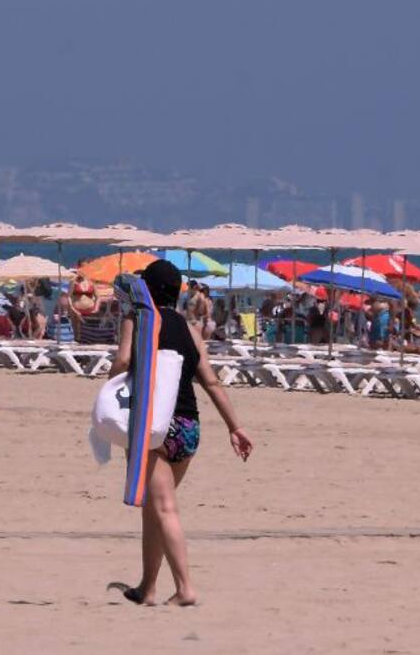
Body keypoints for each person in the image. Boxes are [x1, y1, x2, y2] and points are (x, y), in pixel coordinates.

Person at [111, 260, 253, 607]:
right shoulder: (190, 329)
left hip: (155, 424)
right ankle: (147, 587)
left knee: (163, 507)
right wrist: (235, 426)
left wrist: (108, 388)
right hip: (189, 429)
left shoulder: (138, 321)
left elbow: (125, 362)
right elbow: (211, 381)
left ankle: (186, 588)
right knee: (154, 508)